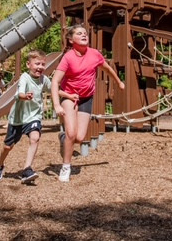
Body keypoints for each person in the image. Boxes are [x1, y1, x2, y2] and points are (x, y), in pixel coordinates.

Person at [51, 24, 125, 182]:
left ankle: (63, 138)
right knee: (72, 133)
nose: (84, 35)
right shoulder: (68, 57)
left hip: (86, 97)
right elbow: (55, 81)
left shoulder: (95, 54)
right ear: (71, 40)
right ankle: (66, 167)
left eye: (85, 33)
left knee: (79, 137)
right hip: (69, 96)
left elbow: (107, 69)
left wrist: (119, 82)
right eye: (79, 33)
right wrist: (57, 104)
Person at [0, 50, 68, 183]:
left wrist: (69, 95)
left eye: (43, 64)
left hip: (34, 116)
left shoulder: (44, 79)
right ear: (28, 64)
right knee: (7, 147)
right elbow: (19, 94)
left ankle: (27, 169)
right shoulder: (25, 78)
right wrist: (25, 96)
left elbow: (54, 90)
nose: (40, 67)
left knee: (35, 138)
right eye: (37, 64)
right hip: (18, 119)